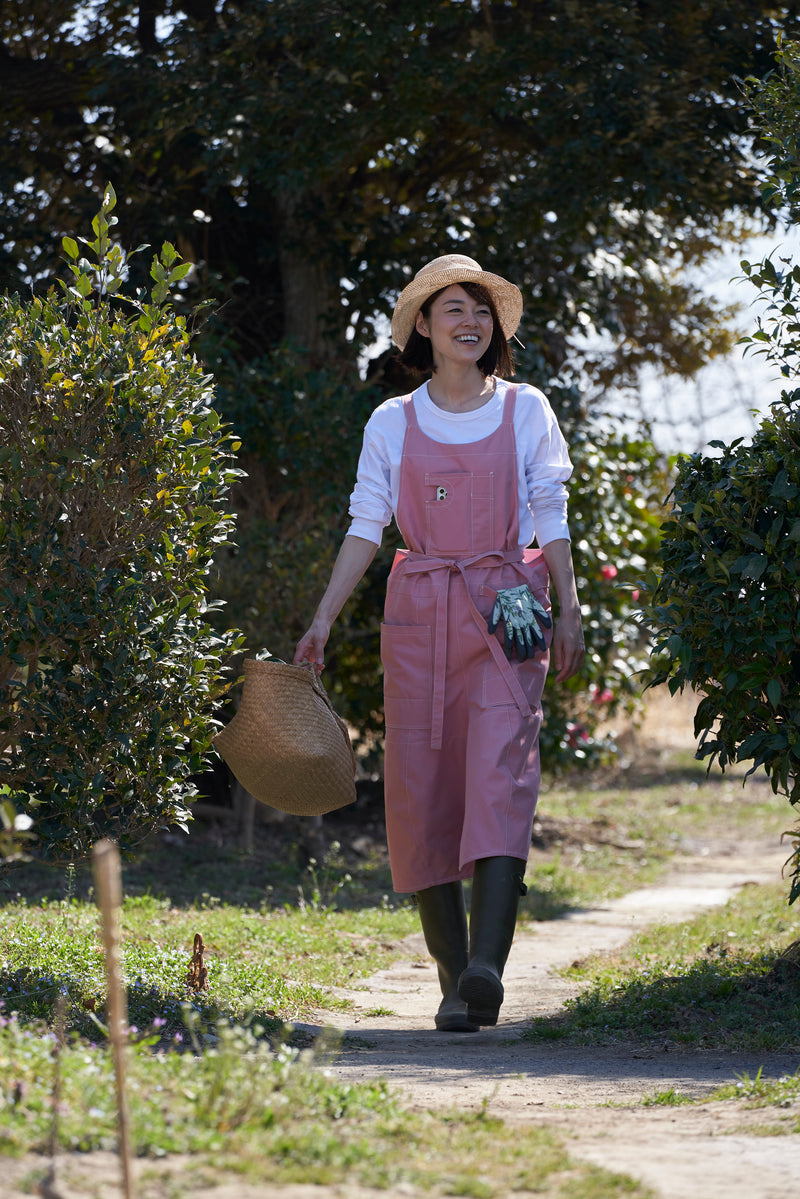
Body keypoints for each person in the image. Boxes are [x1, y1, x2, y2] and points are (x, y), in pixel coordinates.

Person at [294, 253, 584, 1032]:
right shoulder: (392, 421)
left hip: (507, 610)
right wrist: (322, 618)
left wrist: (569, 607)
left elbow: (550, 511)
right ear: (423, 324)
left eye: (482, 310)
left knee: (501, 772)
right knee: (422, 787)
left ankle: (487, 962)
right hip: (420, 613)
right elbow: (366, 523)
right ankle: (456, 983)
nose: (470, 322)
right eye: (453, 308)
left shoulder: (527, 409)